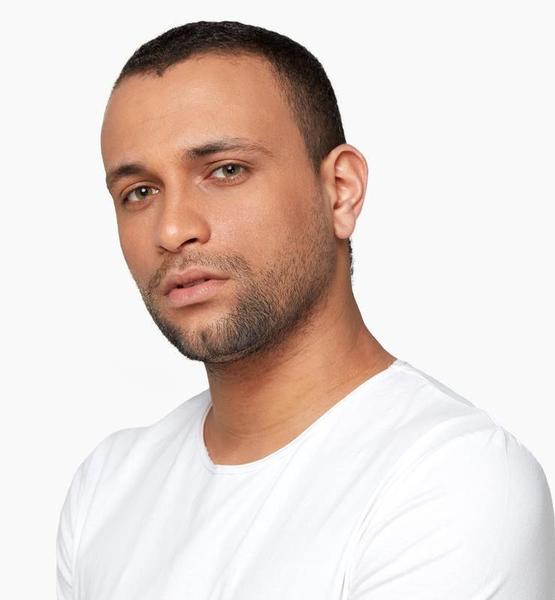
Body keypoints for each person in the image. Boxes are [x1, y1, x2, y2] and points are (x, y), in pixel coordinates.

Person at [56, 20, 555, 599]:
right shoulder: (106, 488)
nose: (172, 230)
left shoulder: (451, 479)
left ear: (340, 190)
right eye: (139, 192)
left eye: (226, 171)